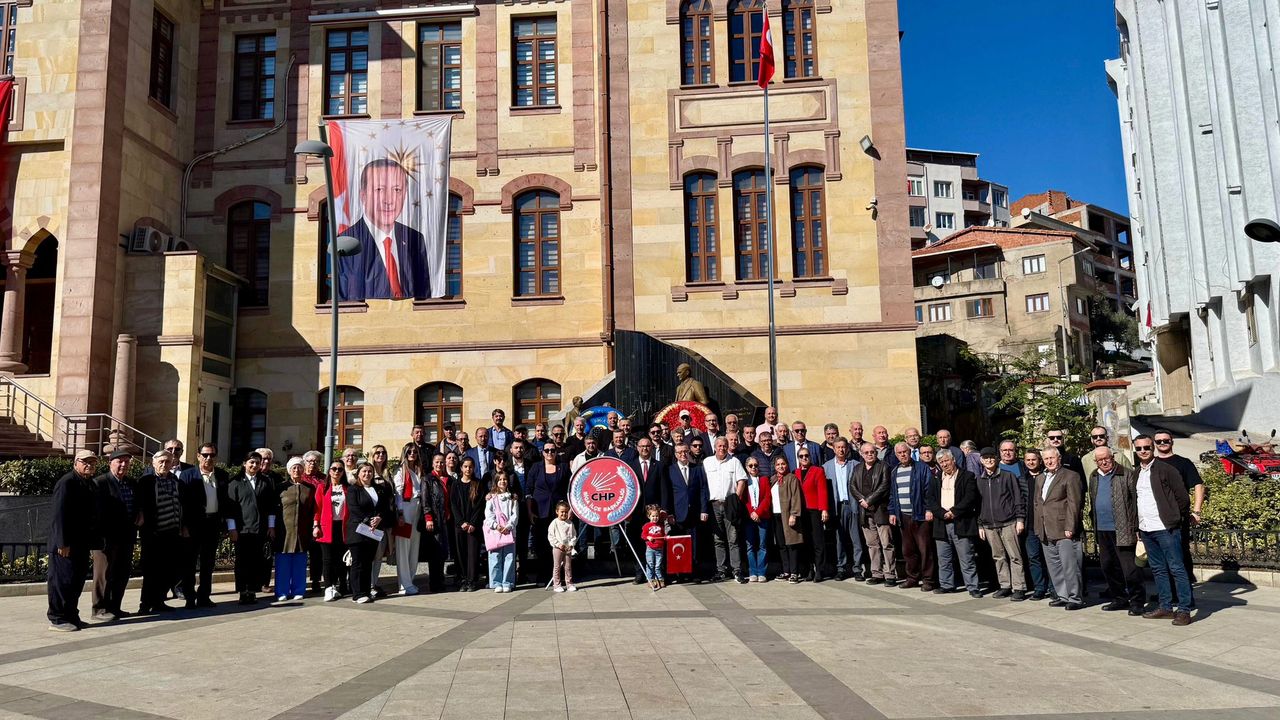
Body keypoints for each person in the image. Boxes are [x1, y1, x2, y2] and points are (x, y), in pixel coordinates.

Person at [338, 157, 431, 301]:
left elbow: (424, 296)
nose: (389, 200)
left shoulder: (414, 238)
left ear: (405, 194)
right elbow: (347, 301)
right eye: (379, 189)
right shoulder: (347, 242)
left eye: (397, 190)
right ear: (363, 195)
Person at [1130, 435, 1194, 625]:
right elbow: (1136, 502)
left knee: (1177, 568)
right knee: (1158, 569)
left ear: (1153, 448)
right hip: (1146, 529)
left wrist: (1174, 518)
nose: (1143, 451)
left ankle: (1184, 610)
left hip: (1166, 528)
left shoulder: (1167, 470)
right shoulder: (1136, 473)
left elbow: (1183, 498)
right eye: (1139, 448)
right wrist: (1137, 526)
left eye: (1147, 447)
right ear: (1135, 450)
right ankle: (1165, 607)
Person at [1089, 447, 1144, 615]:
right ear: (1095, 462)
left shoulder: (1126, 474)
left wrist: (1136, 527)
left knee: (1130, 569)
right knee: (1108, 566)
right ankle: (1119, 598)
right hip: (1102, 528)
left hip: (1123, 528)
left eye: (1107, 458)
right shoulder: (1094, 476)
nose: (1104, 462)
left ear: (1112, 457)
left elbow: (1135, 502)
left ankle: (1137, 601)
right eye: (1100, 460)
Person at [47, 450, 98, 631]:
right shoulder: (67, 482)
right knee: (62, 581)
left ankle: (71, 615)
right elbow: (58, 515)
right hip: (66, 544)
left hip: (81, 543)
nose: (89, 465)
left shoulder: (89, 483)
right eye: (85, 462)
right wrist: (62, 543)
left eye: (92, 462)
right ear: (76, 463)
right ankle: (57, 618)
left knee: (76, 581)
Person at [1152, 429, 1204, 598]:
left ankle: (1183, 594)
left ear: (1172, 441)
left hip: (1178, 517)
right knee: (1161, 557)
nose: (1162, 444)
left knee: (1180, 554)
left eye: (1165, 440)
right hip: (1155, 518)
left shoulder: (1184, 463)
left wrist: (1196, 511)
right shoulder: (1150, 464)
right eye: (1158, 441)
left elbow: (1198, 485)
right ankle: (1168, 593)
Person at [136, 450, 189, 614]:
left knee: (168, 569)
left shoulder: (175, 481)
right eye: (161, 461)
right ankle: (145, 604)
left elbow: (182, 504)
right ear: (153, 463)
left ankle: (159, 601)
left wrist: (182, 526)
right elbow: (140, 504)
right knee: (151, 570)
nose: (164, 464)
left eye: (168, 461)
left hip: (172, 531)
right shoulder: (147, 481)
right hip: (153, 533)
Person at [1035, 448, 1085, 610]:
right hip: (1045, 529)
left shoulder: (1071, 476)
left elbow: (1074, 503)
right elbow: (1038, 503)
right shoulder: (1041, 477)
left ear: (1059, 458)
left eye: (1052, 458)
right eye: (1046, 458)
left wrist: (1070, 526)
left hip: (1064, 529)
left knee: (1070, 566)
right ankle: (1063, 595)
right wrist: (1038, 527)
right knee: (1054, 566)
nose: (1049, 461)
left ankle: (1075, 598)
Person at [226, 451, 278, 605]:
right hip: (241, 530)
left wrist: (271, 526)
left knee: (257, 561)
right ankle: (243, 591)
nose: (254, 465)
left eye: (257, 462)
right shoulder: (235, 482)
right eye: (251, 462)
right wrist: (232, 529)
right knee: (242, 562)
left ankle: (253, 591)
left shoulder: (265, 482)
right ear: (245, 464)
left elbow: (271, 506)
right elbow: (230, 508)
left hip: (260, 529)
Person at [90, 450, 137, 622]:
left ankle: (115, 607)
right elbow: (95, 512)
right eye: (119, 461)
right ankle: (99, 609)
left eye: (127, 461)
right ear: (110, 463)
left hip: (127, 536)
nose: (123, 465)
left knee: (122, 573)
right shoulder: (100, 483)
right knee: (103, 574)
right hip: (106, 538)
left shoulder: (131, 483)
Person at [927, 449, 981, 596]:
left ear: (953, 460)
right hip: (941, 523)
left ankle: (973, 587)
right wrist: (942, 513)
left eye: (946, 461)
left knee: (966, 558)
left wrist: (954, 511)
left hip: (961, 522)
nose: (944, 464)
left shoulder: (967, 476)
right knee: (944, 558)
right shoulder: (936, 478)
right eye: (941, 462)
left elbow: (970, 497)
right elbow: (930, 500)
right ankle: (946, 585)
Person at [976, 446, 1025, 600]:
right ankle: (1005, 585)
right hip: (989, 525)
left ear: (996, 459)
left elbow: (1018, 498)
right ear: (981, 461)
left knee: (1015, 556)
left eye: (991, 457)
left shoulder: (1007, 476)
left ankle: (1019, 587)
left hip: (1008, 522)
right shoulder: (979, 480)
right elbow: (978, 504)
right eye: (985, 458)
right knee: (998, 557)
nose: (989, 460)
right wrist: (980, 524)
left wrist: (1020, 519)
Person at [346, 462, 396, 603]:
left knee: (368, 562)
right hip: (358, 530)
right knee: (358, 562)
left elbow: (385, 507)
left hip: (373, 531)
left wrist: (379, 517)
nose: (367, 474)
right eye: (364, 471)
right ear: (359, 474)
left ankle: (366, 591)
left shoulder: (378, 489)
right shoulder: (353, 489)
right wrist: (368, 520)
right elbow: (354, 509)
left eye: (369, 471)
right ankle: (357, 594)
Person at [888, 442, 935, 591]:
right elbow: (892, 494)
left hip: (920, 515)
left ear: (910, 453)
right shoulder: (894, 471)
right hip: (904, 516)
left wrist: (928, 509)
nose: (903, 455)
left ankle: (929, 580)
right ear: (896, 455)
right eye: (900, 453)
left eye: (905, 452)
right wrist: (892, 512)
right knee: (908, 550)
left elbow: (929, 490)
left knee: (925, 549)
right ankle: (912, 578)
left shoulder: (922, 468)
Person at [186, 443, 227, 608]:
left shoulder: (222, 475)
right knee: (190, 563)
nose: (208, 458)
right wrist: (185, 526)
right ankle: (189, 597)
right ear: (198, 456)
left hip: (213, 524)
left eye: (212, 455)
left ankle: (204, 596)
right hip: (194, 526)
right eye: (205, 455)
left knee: (208, 563)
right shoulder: (188, 475)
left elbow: (225, 501)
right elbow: (184, 503)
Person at [703, 436, 749, 583]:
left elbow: (742, 479)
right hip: (714, 504)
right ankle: (721, 570)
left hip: (730, 504)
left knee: (733, 538)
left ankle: (737, 570)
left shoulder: (734, 461)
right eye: (719, 446)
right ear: (715, 447)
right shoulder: (707, 462)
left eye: (724, 446)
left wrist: (736, 498)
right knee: (718, 539)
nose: (722, 448)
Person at [629, 438, 672, 584]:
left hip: (654, 514)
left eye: (648, 446)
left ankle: (658, 574)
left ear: (652, 448)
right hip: (636, 513)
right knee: (638, 543)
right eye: (642, 446)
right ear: (637, 448)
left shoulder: (659, 465)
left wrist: (664, 510)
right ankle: (640, 572)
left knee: (656, 544)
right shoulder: (630, 465)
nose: (645, 449)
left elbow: (665, 489)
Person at [851, 442, 895, 585]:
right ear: (861, 454)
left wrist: (869, 500)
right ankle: (877, 573)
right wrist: (862, 500)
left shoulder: (883, 466)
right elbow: (852, 486)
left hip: (880, 510)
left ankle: (890, 574)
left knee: (886, 543)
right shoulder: (857, 468)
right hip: (865, 512)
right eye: (867, 452)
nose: (870, 455)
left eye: (872, 452)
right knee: (872, 544)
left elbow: (884, 486)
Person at [528, 443, 570, 585]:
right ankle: (543, 576)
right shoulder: (536, 468)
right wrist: (530, 511)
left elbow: (569, 489)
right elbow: (529, 490)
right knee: (543, 545)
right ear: (543, 452)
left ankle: (560, 577)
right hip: (540, 512)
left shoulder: (563, 467)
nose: (550, 453)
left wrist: (569, 509)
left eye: (553, 450)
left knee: (560, 544)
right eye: (547, 450)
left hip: (559, 513)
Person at [666, 443, 709, 580]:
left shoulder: (697, 469)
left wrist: (704, 510)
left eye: (685, 451)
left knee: (694, 544)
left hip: (694, 513)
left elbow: (703, 490)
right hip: (678, 514)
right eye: (679, 452)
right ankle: (679, 572)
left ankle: (693, 572)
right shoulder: (670, 470)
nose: (683, 454)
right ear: (675, 455)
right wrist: (669, 513)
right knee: (678, 543)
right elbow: (668, 494)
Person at [823, 438, 864, 581]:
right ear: (833, 449)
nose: (841, 450)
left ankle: (858, 568)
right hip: (836, 507)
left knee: (856, 539)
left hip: (852, 505)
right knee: (839, 539)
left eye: (843, 447)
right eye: (838, 447)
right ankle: (841, 568)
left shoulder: (856, 465)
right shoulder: (826, 467)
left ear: (847, 449)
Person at [275, 457, 315, 602]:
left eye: (299, 467)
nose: (297, 470)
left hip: (302, 531)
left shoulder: (310, 488)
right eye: (294, 468)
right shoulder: (281, 487)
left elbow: (313, 510)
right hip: (284, 531)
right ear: (289, 471)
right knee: (283, 563)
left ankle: (299, 589)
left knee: (300, 561)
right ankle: (282, 591)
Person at [1020, 449, 1054, 601]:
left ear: (1039, 460)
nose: (1031, 462)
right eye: (1028, 460)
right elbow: (1019, 502)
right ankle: (1039, 588)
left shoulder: (1048, 477)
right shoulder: (1021, 479)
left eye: (1034, 459)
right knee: (1034, 558)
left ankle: (1054, 588)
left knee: (1050, 558)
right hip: (1030, 526)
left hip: (1047, 524)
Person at [393, 443, 426, 595]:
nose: (412, 454)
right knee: (403, 548)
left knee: (415, 547)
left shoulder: (419, 471)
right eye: (409, 452)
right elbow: (398, 494)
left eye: (415, 452)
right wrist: (399, 513)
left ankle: (410, 581)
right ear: (404, 454)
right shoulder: (400, 471)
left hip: (417, 510)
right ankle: (403, 584)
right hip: (405, 509)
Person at [314, 459, 349, 601]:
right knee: (327, 559)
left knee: (341, 559)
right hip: (326, 527)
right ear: (329, 471)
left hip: (342, 527)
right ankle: (329, 587)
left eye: (340, 469)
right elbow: (317, 508)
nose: (337, 472)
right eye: (334, 469)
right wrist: (315, 525)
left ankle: (341, 585)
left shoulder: (348, 488)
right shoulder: (322, 487)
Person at [793, 447, 829, 582]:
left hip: (814, 510)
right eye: (801, 456)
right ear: (798, 458)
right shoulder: (795, 472)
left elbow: (822, 491)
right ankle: (809, 569)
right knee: (806, 542)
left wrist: (824, 509)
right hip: (801, 511)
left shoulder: (818, 471)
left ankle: (819, 570)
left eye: (806, 455)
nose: (804, 458)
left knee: (818, 542)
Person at [451, 457, 485, 592]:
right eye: (465, 466)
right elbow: (453, 504)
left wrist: (472, 523)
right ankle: (462, 579)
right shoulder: (456, 484)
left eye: (470, 467)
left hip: (473, 526)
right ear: (461, 468)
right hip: (460, 525)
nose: (468, 469)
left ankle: (471, 580)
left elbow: (480, 505)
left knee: (472, 553)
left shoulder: (478, 484)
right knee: (460, 552)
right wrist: (461, 522)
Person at [485, 472, 520, 592]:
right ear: (496, 482)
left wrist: (509, 526)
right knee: (495, 557)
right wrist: (495, 525)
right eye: (500, 479)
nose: (502, 481)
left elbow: (515, 515)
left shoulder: (512, 498)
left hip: (509, 532)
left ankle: (508, 582)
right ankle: (496, 582)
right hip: (496, 532)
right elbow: (488, 515)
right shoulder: (491, 497)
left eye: (505, 479)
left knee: (509, 557)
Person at [773, 456, 805, 585]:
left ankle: (794, 572)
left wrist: (794, 514)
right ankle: (786, 571)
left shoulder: (792, 479)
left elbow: (796, 497)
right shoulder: (773, 479)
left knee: (792, 544)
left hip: (788, 515)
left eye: (783, 464)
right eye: (778, 464)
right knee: (781, 545)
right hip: (776, 515)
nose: (781, 466)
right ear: (775, 467)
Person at [420, 454, 449, 593]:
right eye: (437, 462)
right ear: (433, 463)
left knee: (442, 552)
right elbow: (425, 500)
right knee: (434, 553)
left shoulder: (448, 479)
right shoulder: (427, 479)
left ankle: (440, 580)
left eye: (442, 462)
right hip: (435, 520)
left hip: (446, 520)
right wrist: (428, 517)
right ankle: (435, 583)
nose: (440, 465)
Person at [740, 456, 771, 582]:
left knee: (763, 545)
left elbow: (767, 498)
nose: (754, 468)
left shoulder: (764, 479)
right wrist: (752, 512)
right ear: (746, 468)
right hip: (749, 517)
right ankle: (753, 571)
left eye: (756, 465)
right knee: (750, 545)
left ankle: (762, 572)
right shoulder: (744, 481)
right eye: (751, 466)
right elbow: (743, 499)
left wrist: (758, 512)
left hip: (762, 516)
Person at [300, 450, 326, 593]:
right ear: (305, 462)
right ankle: (299, 580)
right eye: (310, 461)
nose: (312, 464)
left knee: (317, 553)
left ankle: (316, 580)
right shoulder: (300, 477)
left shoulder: (324, 478)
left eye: (316, 461)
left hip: (319, 520)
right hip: (303, 520)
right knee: (301, 551)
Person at [548, 501, 578, 592]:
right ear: (557, 511)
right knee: (557, 566)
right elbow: (551, 536)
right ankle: (556, 585)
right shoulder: (554, 523)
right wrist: (558, 544)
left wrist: (572, 544)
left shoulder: (570, 523)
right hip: (558, 548)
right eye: (562, 512)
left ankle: (569, 583)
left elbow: (573, 535)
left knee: (568, 566)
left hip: (568, 548)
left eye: (566, 512)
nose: (564, 514)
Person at [641, 505, 667, 589]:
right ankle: (650, 579)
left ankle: (659, 579)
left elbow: (663, 535)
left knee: (658, 565)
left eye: (656, 516)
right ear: (649, 516)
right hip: (650, 548)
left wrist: (666, 537)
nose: (655, 518)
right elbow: (643, 535)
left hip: (659, 549)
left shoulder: (661, 526)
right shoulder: (646, 526)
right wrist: (648, 537)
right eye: (653, 516)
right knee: (650, 564)